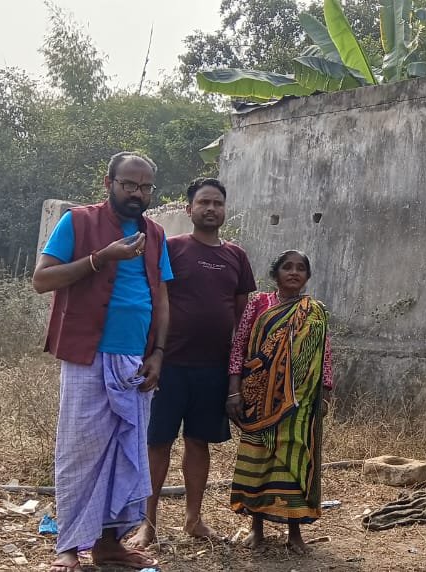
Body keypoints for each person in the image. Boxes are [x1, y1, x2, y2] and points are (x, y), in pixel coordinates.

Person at [32, 151, 173, 572]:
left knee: (125, 453)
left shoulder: (156, 234)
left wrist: (159, 354)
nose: (137, 193)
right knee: (81, 452)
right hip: (87, 353)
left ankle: (109, 544)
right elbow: (42, 279)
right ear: (108, 183)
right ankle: (69, 547)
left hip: (137, 359)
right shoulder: (77, 222)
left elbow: (162, 298)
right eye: (129, 184)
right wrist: (101, 258)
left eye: (145, 186)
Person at [127, 178, 256, 548]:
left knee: (199, 443)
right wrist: (151, 352)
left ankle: (193, 520)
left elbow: (241, 313)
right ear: (190, 209)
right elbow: (154, 300)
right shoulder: (171, 248)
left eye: (217, 203)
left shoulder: (236, 256)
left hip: (213, 367)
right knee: (158, 444)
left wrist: (237, 370)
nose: (211, 209)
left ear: (224, 210)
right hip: (169, 364)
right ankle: (146, 525)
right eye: (204, 203)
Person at [225, 250, 334, 554]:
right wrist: (234, 390)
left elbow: (324, 353)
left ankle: (294, 533)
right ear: (275, 274)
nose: (294, 272)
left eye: (301, 268)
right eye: (287, 267)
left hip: (301, 403)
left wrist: (324, 391)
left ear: (307, 276)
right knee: (259, 458)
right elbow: (239, 346)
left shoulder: (315, 310)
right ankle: (256, 528)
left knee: (295, 463)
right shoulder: (258, 304)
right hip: (260, 398)